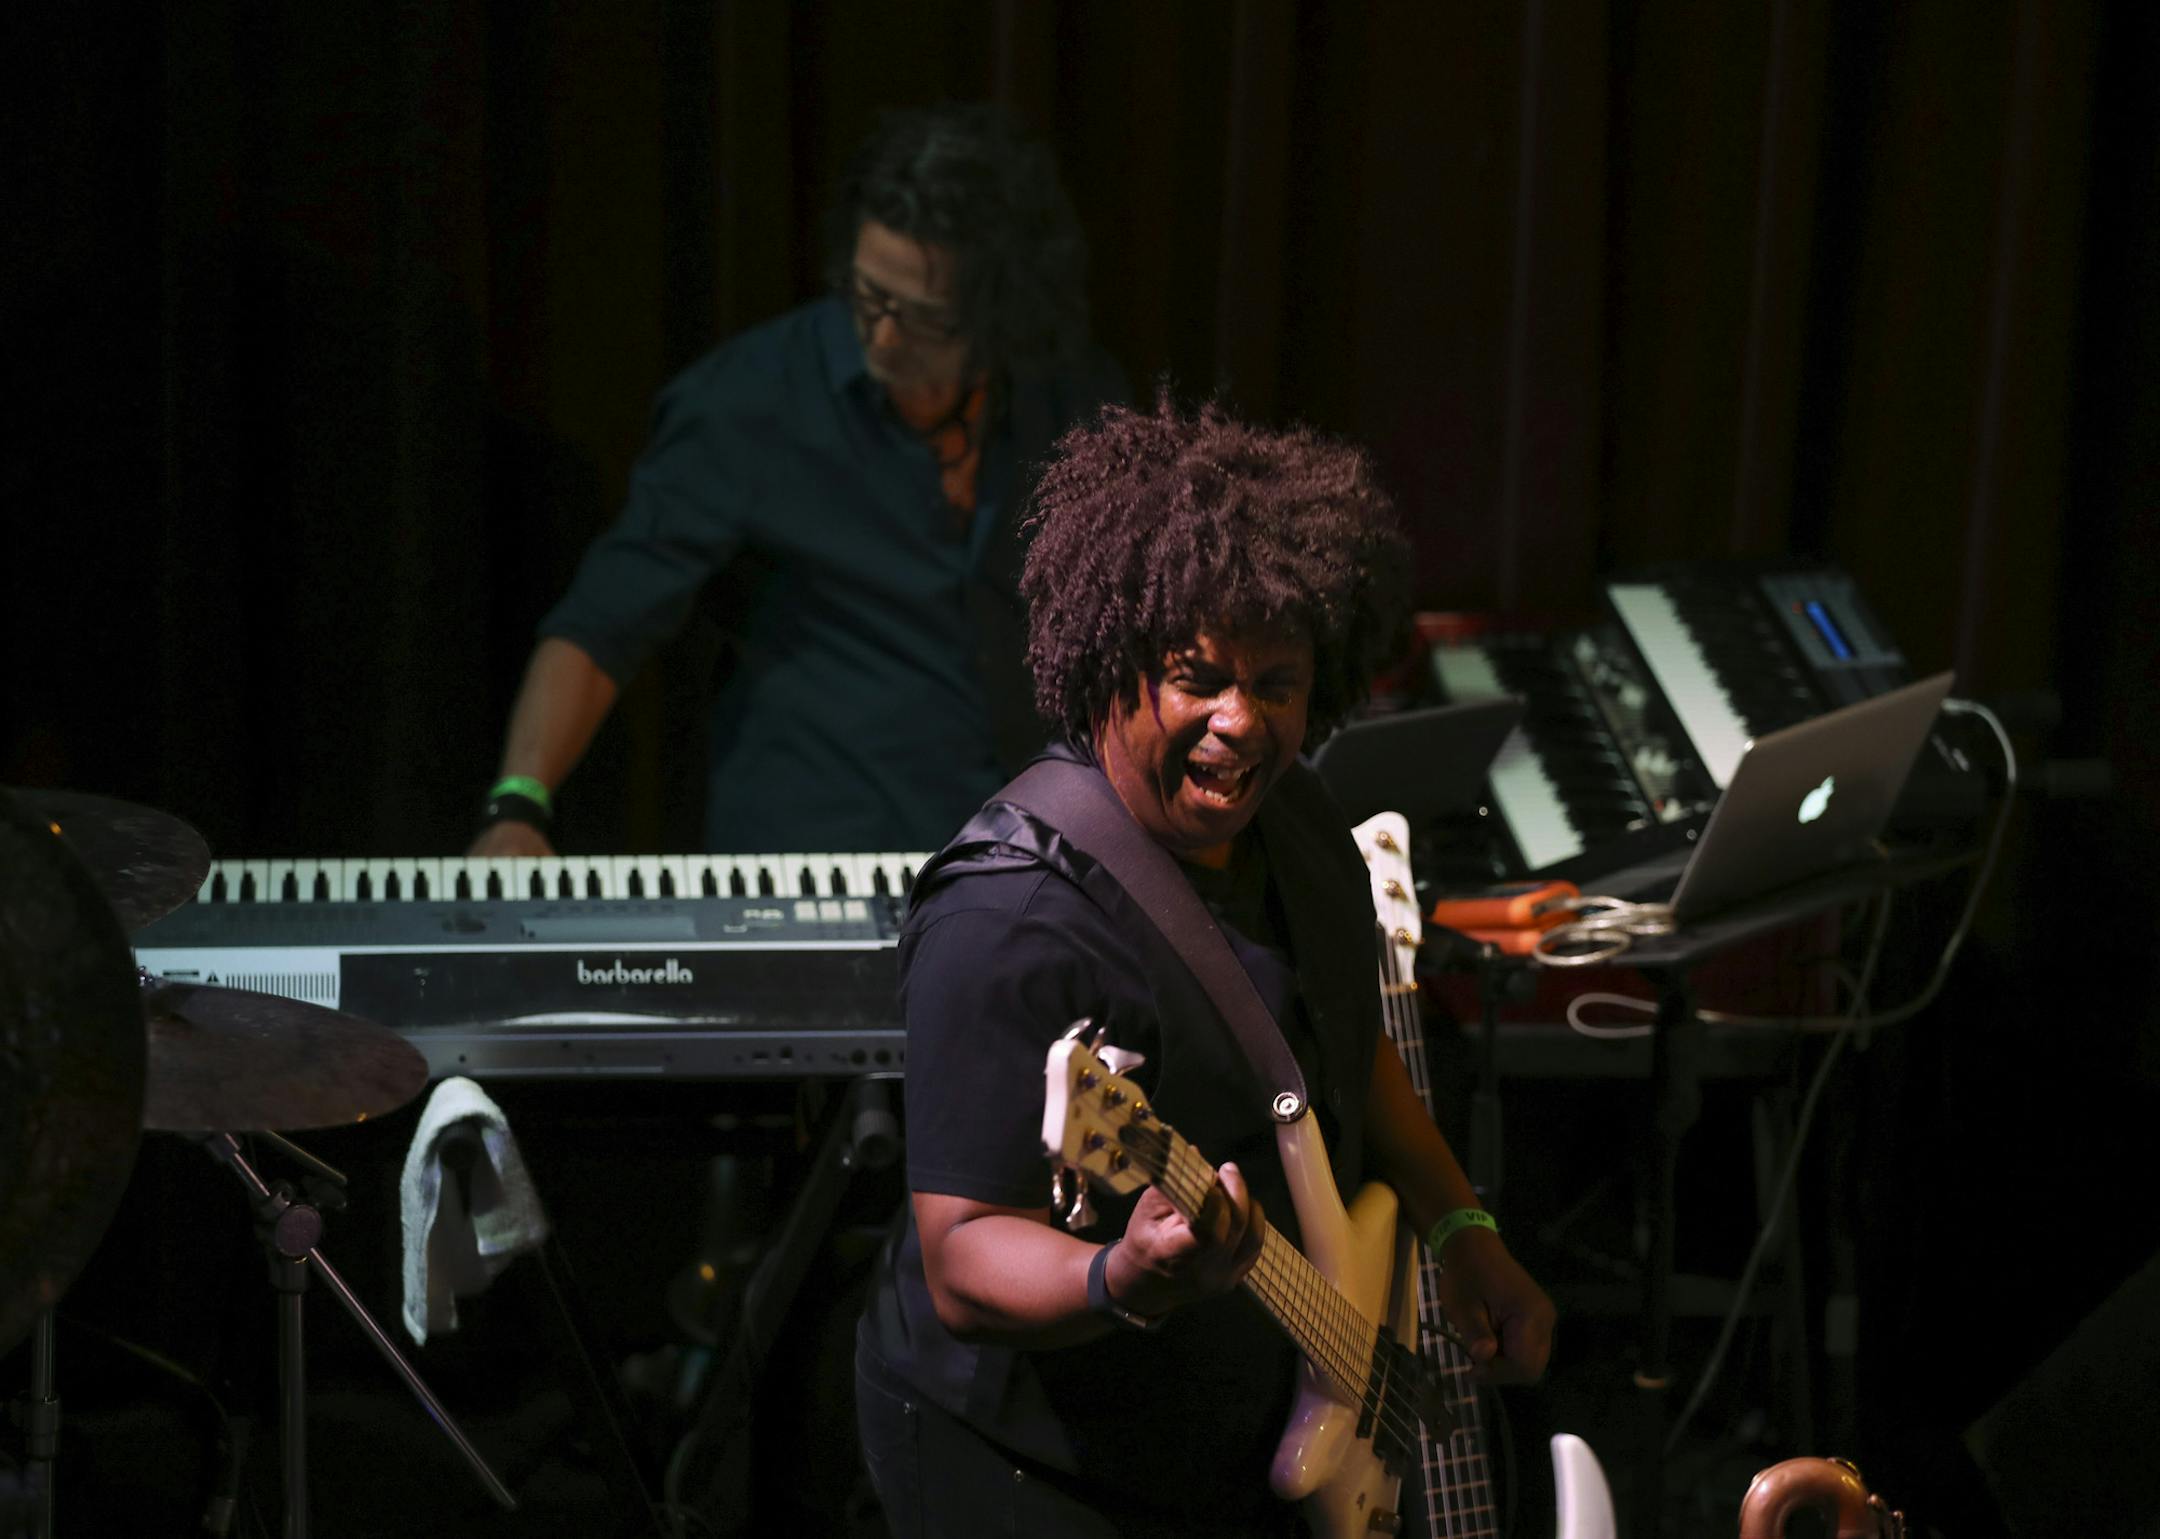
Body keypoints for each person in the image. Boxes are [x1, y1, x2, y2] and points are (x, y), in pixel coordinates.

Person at [855, 397, 1556, 1536]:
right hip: (1033, 1463)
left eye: (1276, 685)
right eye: (1197, 677)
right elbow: (962, 1255)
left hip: (1241, 1428)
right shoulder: (1011, 918)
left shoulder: (1306, 828)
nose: (1240, 723)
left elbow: (1344, 1051)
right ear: (1108, 662)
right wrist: (1115, 1280)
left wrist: (1458, 1227)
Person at [471, 103, 1126, 858]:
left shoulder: (1068, 398)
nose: (879, 337)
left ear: (997, 314)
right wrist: (517, 801)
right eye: (866, 296)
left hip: (1023, 857)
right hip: (817, 859)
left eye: (921, 318)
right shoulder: (750, 403)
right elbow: (601, 623)